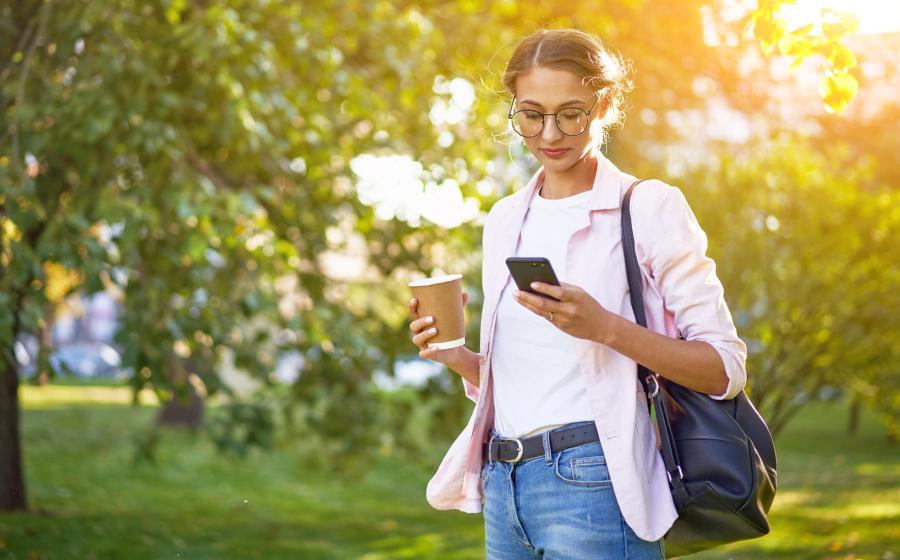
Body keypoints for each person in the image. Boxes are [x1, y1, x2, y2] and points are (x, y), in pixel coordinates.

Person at [407, 28, 747, 559]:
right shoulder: (505, 220)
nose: (549, 133)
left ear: (604, 105)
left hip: (595, 483)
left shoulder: (649, 207)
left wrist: (606, 327)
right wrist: (458, 358)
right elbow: (534, 378)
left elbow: (724, 369)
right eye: (530, 113)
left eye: (571, 112)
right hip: (505, 485)